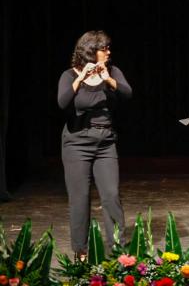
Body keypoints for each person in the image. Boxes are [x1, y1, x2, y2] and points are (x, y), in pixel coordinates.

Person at [57, 30, 131, 259]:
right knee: (79, 198)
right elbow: (62, 103)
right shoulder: (69, 75)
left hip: (105, 143)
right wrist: (81, 78)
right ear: (90, 51)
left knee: (111, 195)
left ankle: (117, 251)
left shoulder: (113, 72)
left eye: (109, 48)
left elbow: (128, 94)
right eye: (104, 48)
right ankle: (81, 251)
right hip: (77, 143)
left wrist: (108, 79)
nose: (109, 52)